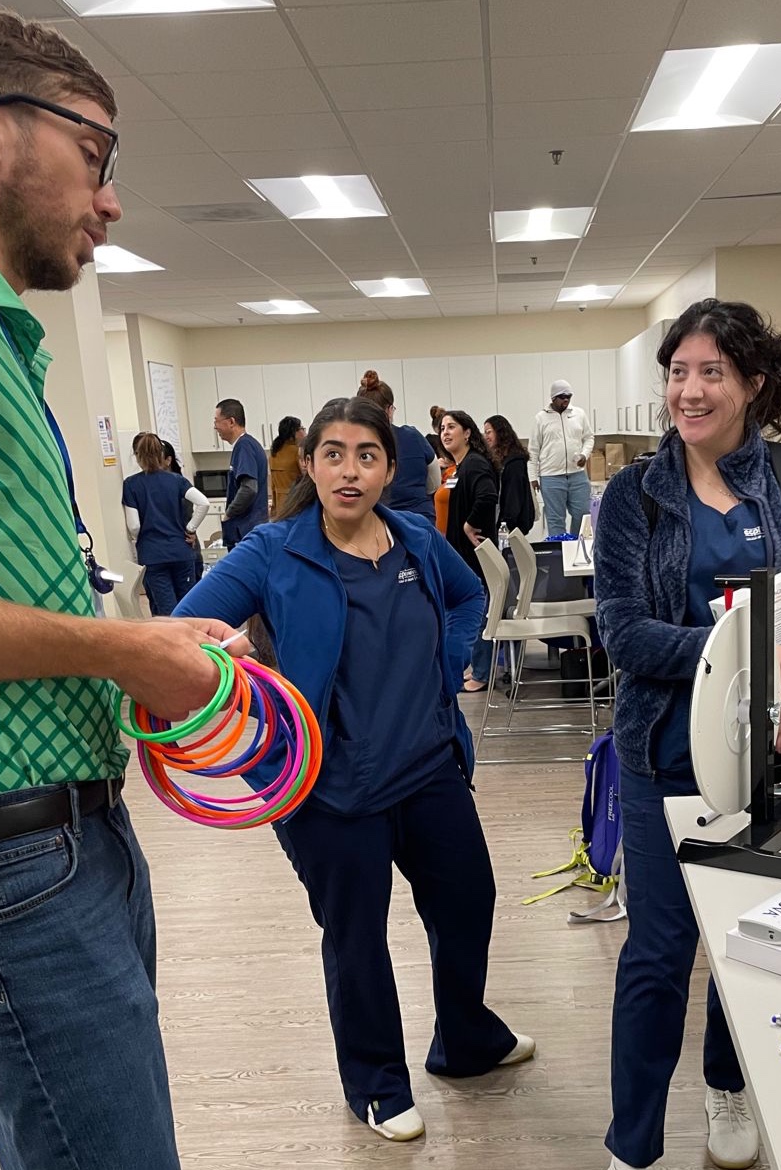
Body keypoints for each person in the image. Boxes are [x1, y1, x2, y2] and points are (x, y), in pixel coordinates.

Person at [0, 10, 246, 1169]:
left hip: (62, 834)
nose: (110, 199)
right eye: (96, 154)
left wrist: (143, 641)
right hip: (3, 852)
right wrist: (119, 654)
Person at [173, 397, 534, 1142]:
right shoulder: (272, 552)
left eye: (366, 455)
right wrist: (240, 678)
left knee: (469, 901)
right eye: (332, 453)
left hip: (428, 765)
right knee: (357, 936)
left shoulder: (412, 536)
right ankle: (374, 1083)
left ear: (390, 469)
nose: (349, 470)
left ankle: (465, 1039)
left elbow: (468, 595)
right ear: (309, 465)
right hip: (329, 789)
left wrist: (448, 660)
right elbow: (181, 637)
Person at [593, 299, 781, 1170]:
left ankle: (728, 1087)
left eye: (710, 371)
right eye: (677, 372)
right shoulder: (633, 498)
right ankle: (633, 1144)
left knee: (752, 940)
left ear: (753, 384)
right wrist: (748, 657)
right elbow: (624, 633)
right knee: (657, 956)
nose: (688, 390)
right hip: (665, 759)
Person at [438, 409, 499, 693]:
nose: (446, 432)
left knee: (479, 612)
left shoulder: (474, 464)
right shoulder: (459, 467)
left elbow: (487, 495)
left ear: (467, 433)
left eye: (452, 427)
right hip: (459, 553)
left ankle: (483, 672)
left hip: (473, 553)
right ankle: (478, 668)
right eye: (442, 428)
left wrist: (468, 524)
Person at [122, 432, 208, 614]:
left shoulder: (131, 484)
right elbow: (203, 503)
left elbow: (134, 526)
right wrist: (190, 528)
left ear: (137, 456)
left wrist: (143, 538)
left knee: (167, 611)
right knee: (188, 607)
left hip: (153, 555)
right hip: (181, 551)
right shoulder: (177, 480)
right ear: (161, 454)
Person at [357, 375, 438, 523]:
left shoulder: (356, 444)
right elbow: (434, 481)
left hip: (379, 522)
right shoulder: (413, 436)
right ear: (389, 409)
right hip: (420, 519)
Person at [529, 379, 594, 536]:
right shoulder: (541, 418)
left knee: (583, 515)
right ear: (553, 398)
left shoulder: (579, 414)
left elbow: (589, 438)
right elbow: (533, 450)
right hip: (550, 477)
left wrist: (585, 455)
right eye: (562, 396)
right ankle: (560, 555)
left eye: (569, 396)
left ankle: (579, 551)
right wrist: (533, 477)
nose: (566, 399)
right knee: (556, 520)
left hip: (577, 475)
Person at [214, 396, 268, 548]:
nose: (215, 427)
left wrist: (229, 514)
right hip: (250, 528)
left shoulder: (244, 447)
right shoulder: (247, 445)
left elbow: (249, 488)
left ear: (231, 422)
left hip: (246, 529)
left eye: (217, 421)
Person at [160, 437, 205, 582]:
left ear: (168, 460)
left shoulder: (180, 486)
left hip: (186, 547)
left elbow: (201, 505)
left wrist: (190, 530)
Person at [484, 414, 534, 535]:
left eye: (488, 432)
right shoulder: (501, 460)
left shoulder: (514, 463)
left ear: (500, 432)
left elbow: (513, 496)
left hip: (510, 524)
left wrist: (505, 523)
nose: (486, 437)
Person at [269, 414, 305, 518]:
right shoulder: (297, 452)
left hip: (280, 504)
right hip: (295, 503)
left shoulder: (274, 453)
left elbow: (273, 485)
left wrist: (274, 507)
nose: (303, 431)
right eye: (301, 428)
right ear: (293, 432)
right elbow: (306, 478)